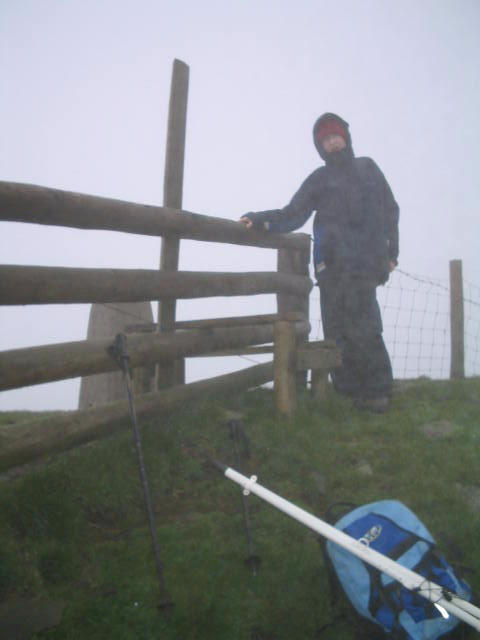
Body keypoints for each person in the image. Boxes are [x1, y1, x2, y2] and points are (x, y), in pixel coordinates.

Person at [239, 113, 399, 413]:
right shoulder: (319, 179)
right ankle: (348, 393)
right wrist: (260, 219)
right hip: (331, 269)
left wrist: (392, 254)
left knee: (365, 328)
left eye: (335, 136)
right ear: (319, 146)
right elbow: (293, 213)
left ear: (346, 137)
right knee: (336, 332)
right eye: (325, 139)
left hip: (364, 267)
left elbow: (391, 209)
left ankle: (377, 393)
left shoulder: (367, 168)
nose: (332, 142)